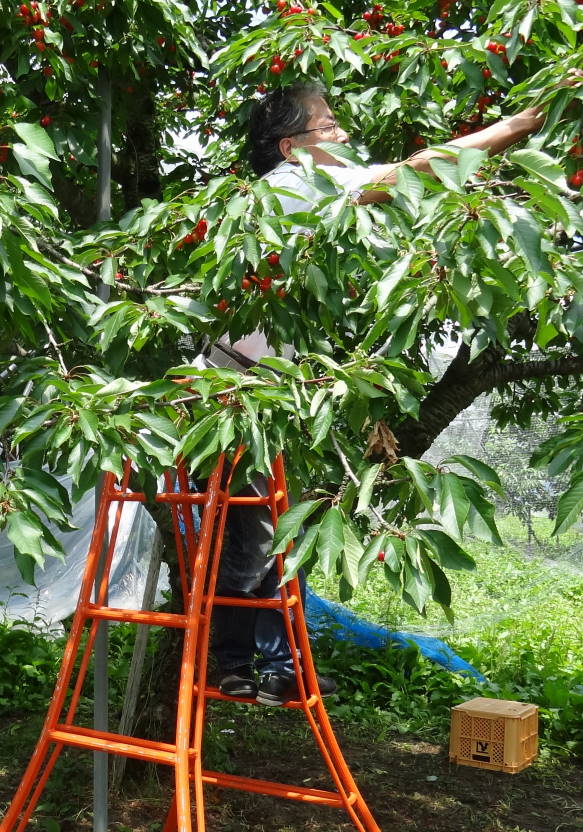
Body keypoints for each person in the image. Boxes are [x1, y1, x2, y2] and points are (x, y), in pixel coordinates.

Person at [207, 83, 549, 704]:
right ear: (291, 148)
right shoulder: (293, 187)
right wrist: (510, 128)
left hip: (281, 400)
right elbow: (412, 170)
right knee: (257, 539)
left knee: (285, 537)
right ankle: (227, 662)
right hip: (242, 399)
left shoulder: (311, 198)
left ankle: (277, 665)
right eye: (328, 127)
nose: (341, 136)